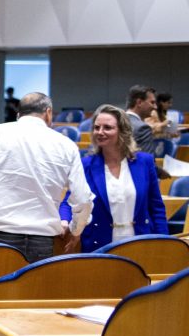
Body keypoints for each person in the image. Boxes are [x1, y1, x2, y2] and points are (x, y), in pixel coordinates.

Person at [0, 92, 95, 262]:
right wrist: (76, 230)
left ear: (19, 114)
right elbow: (82, 198)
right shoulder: (66, 144)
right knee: (35, 281)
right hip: (42, 240)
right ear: (48, 113)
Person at [67, 104, 167, 252]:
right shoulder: (86, 165)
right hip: (100, 245)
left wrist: (164, 243)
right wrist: (64, 221)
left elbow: (156, 207)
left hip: (141, 243)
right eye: (96, 127)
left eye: (107, 128)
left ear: (122, 131)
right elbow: (70, 200)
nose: (100, 132)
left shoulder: (145, 162)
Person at [125, 84, 157, 153]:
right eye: (152, 102)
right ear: (139, 102)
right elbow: (147, 158)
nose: (155, 107)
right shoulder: (143, 128)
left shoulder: (116, 122)